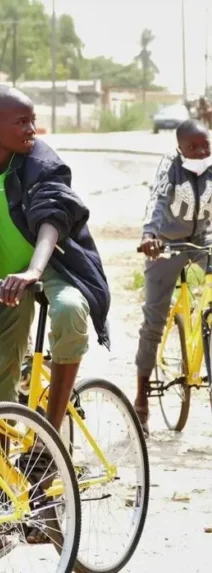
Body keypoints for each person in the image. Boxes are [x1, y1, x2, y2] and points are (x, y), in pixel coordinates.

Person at [0, 85, 111, 435]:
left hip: (55, 263)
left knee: (70, 309)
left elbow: (52, 220)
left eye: (33, 121)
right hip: (2, 276)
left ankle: (51, 437)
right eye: (22, 122)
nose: (31, 130)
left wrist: (33, 271)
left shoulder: (43, 162)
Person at [135, 119, 212, 432]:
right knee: (154, 319)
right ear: (180, 148)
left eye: (205, 145)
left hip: (203, 242)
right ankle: (141, 395)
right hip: (165, 245)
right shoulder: (169, 166)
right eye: (193, 147)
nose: (201, 151)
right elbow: (157, 200)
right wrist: (149, 234)